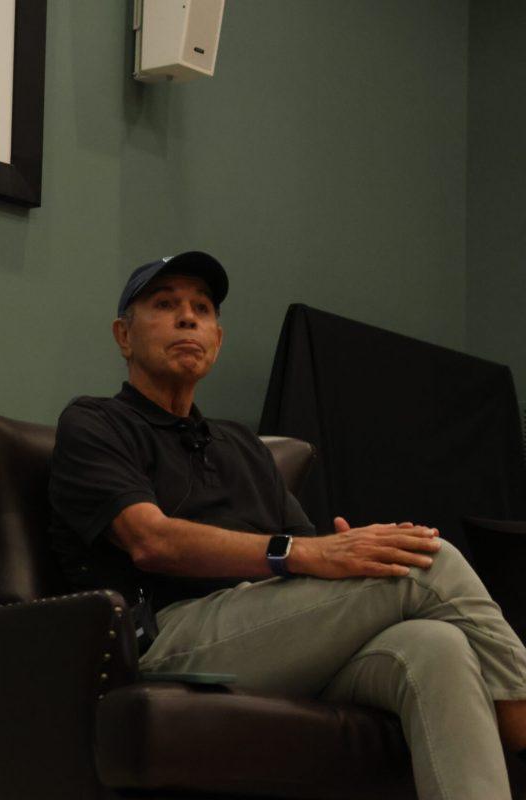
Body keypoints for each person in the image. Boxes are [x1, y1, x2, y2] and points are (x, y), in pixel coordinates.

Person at [48, 250, 526, 800]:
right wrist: (302, 554)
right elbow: (150, 541)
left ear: (217, 341)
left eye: (201, 309)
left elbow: (314, 551)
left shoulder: (245, 448)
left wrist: (344, 548)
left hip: (279, 635)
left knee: (438, 646)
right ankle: (521, 724)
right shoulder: (95, 423)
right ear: (123, 335)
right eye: (164, 304)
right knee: (425, 560)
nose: (187, 318)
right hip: (171, 636)